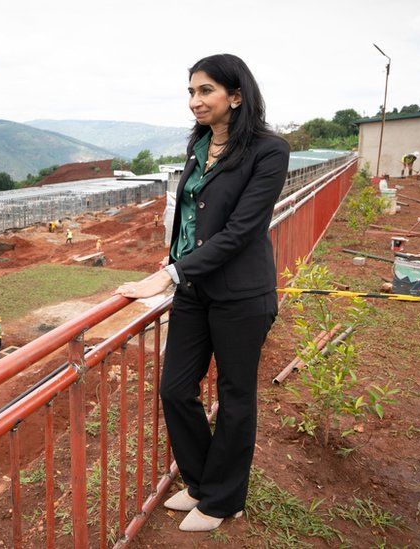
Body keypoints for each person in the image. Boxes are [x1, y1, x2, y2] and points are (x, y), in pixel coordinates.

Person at [115, 54, 288, 533]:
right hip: (194, 289)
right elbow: (188, 215)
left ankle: (225, 499)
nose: (195, 101)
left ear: (236, 95)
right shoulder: (198, 145)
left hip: (240, 296)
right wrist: (175, 266)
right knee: (175, 389)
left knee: (235, 399)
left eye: (206, 90)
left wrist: (169, 274)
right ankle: (199, 480)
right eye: (191, 91)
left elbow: (242, 230)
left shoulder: (268, 151)